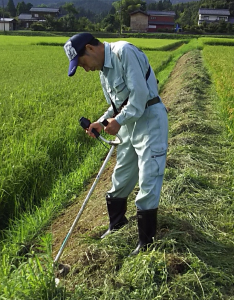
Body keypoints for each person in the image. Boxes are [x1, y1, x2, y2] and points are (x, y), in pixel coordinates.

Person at [64, 33, 168, 256]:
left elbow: (139, 97)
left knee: (149, 179)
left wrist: (118, 121)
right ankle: (117, 225)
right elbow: (117, 105)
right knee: (121, 177)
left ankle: (146, 243)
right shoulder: (104, 71)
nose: (86, 69)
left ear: (90, 49)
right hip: (130, 124)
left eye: (82, 63)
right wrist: (101, 123)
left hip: (149, 119)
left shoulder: (124, 53)